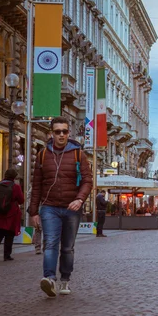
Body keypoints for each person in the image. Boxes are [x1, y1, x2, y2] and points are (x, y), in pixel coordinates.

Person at [29, 117, 93, 297]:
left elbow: (88, 181)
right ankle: (49, 279)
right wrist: (33, 211)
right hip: (49, 207)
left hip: (72, 208)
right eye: (58, 131)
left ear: (68, 133)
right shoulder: (42, 154)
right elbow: (37, 185)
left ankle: (65, 278)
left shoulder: (78, 154)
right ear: (51, 133)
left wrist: (80, 199)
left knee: (67, 247)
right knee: (50, 244)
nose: (62, 135)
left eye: (65, 131)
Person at [0, 168, 24, 261]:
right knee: (9, 234)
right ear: (14, 177)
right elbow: (21, 200)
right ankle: (7, 255)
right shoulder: (16, 187)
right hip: (10, 214)